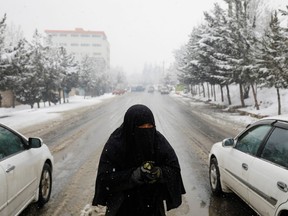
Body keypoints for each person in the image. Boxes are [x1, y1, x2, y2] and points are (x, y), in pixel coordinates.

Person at [92, 104, 186, 216]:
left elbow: (173, 169)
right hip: (121, 206)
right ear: (130, 127)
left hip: (152, 205)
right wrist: (133, 176)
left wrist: (159, 173)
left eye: (149, 126)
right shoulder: (116, 144)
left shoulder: (158, 140)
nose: (146, 130)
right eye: (141, 127)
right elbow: (105, 178)